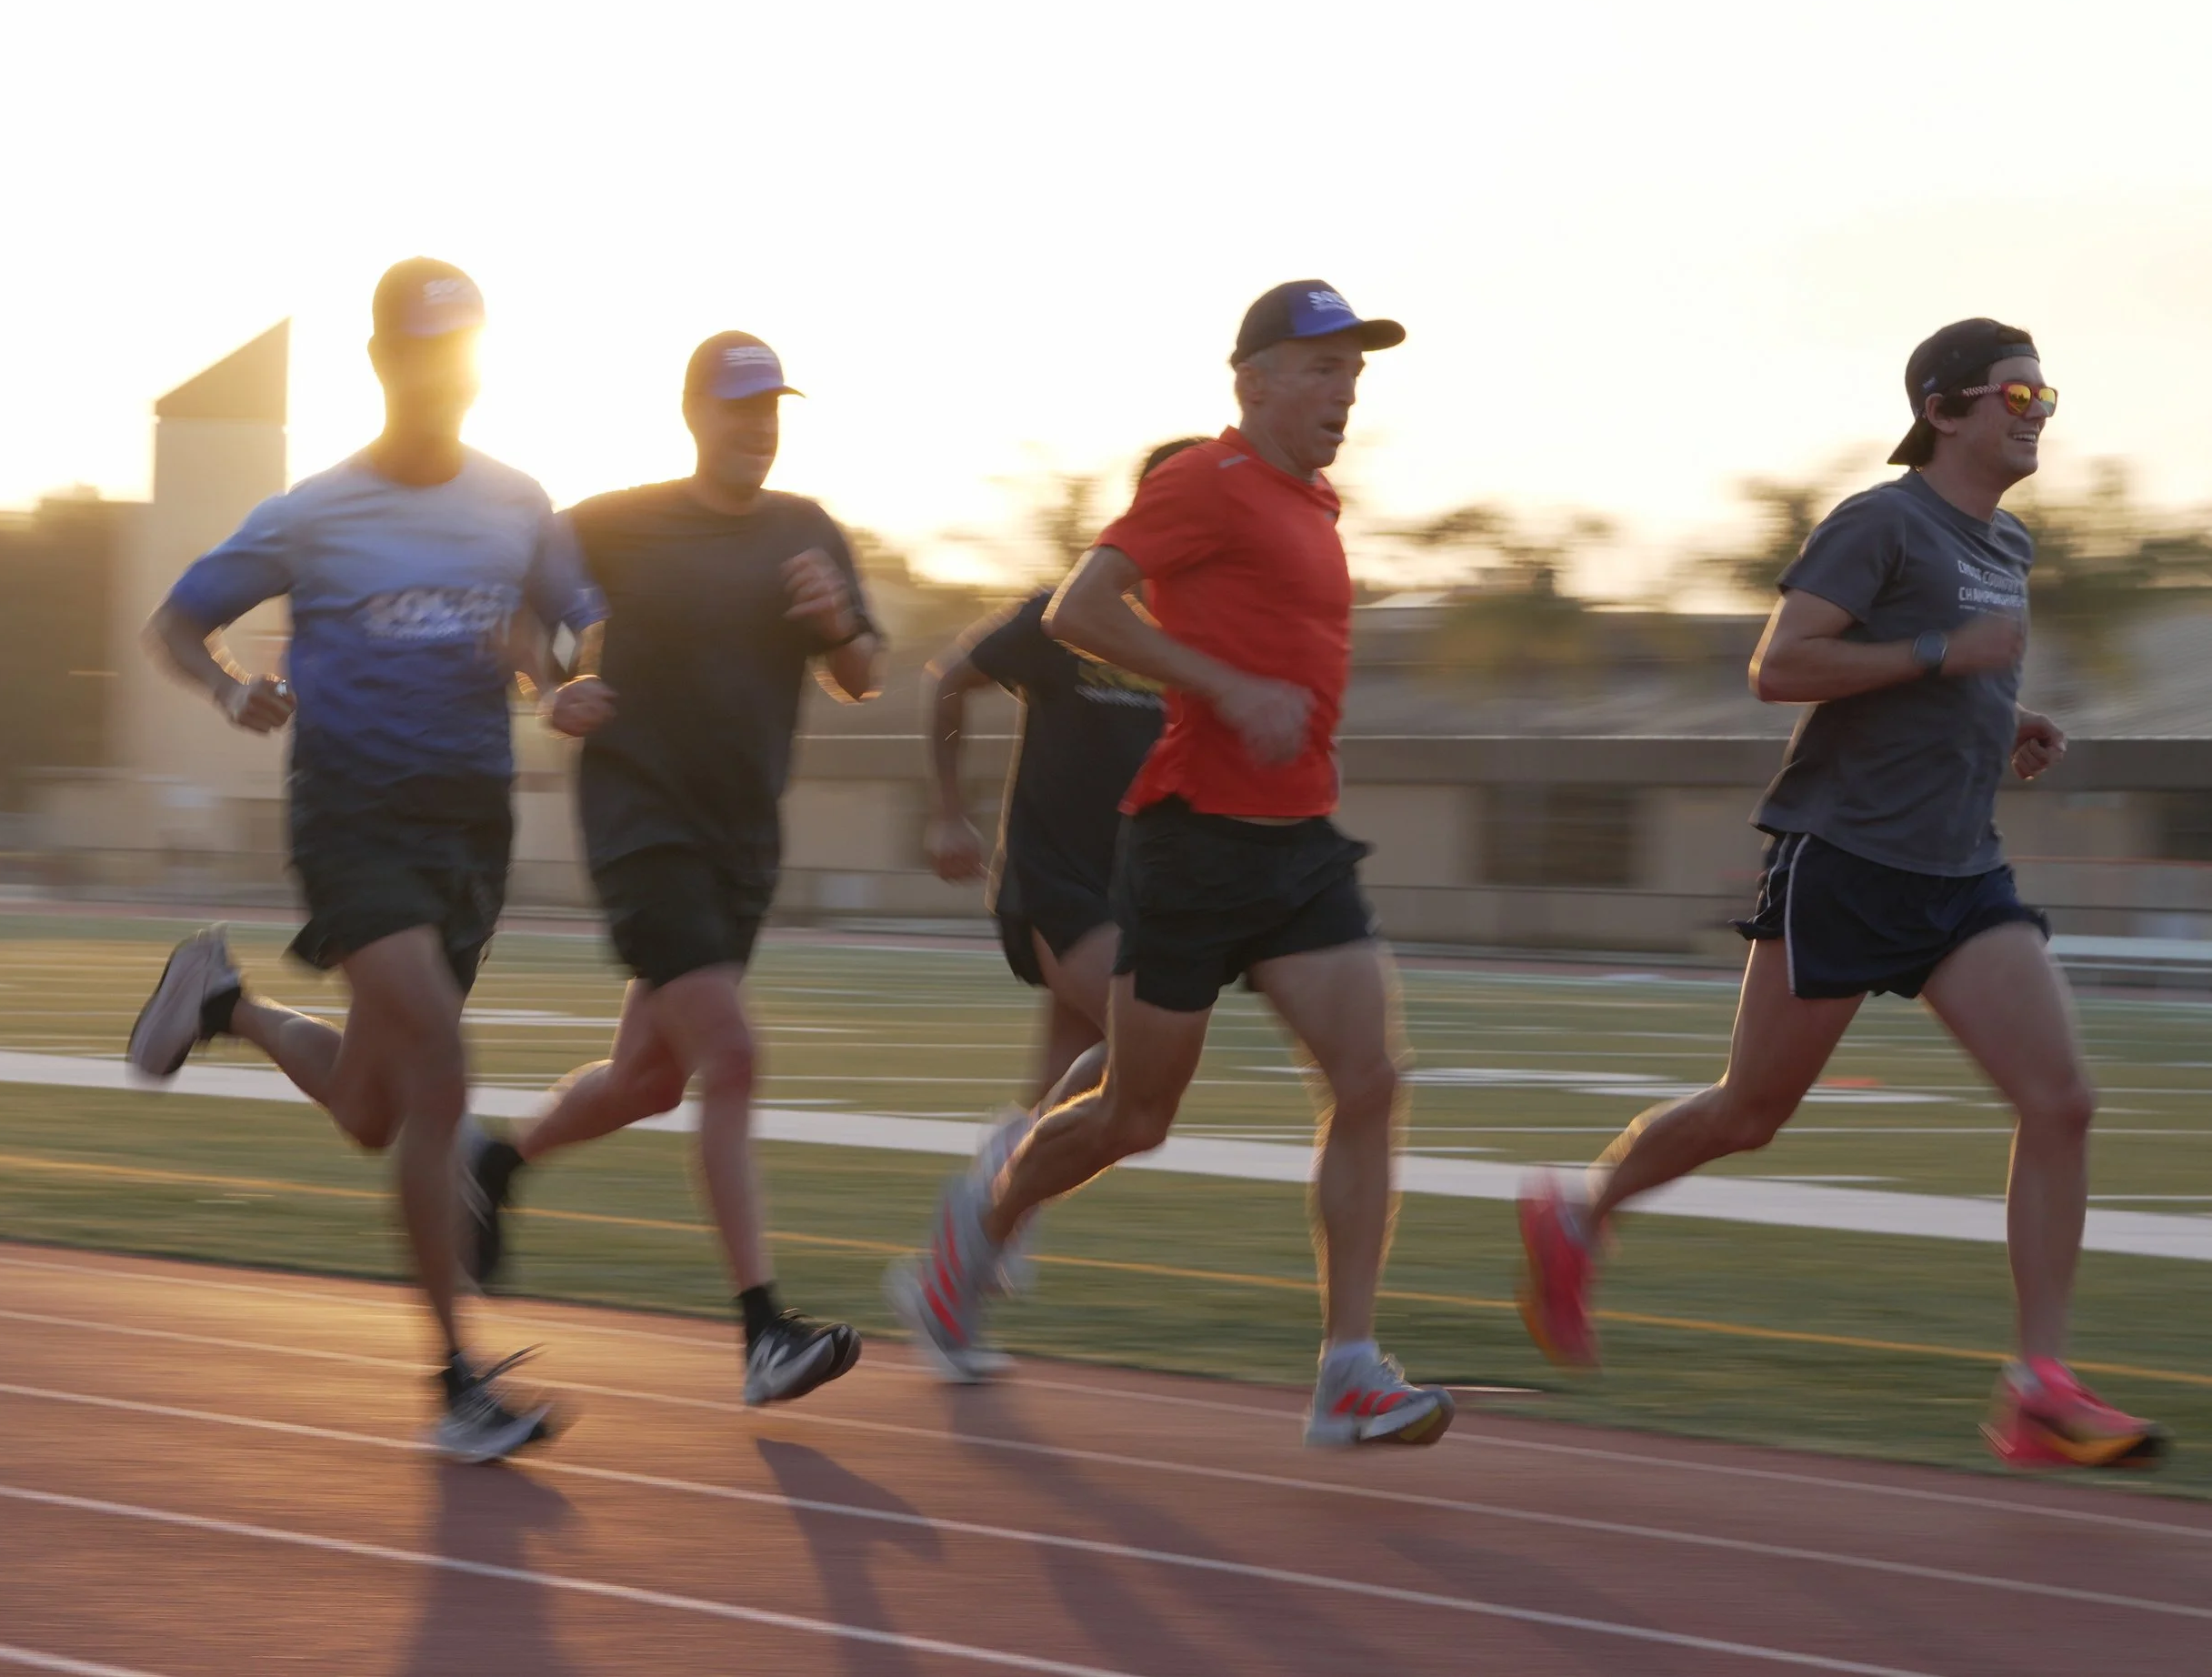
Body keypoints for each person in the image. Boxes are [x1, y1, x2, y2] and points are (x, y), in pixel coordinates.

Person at [1516, 318, 2167, 1471]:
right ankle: (1580, 1210)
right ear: (1948, 406)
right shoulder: (1880, 522)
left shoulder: (2004, 546)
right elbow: (1781, 666)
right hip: (1850, 859)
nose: (2038, 418)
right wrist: (1939, 659)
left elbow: (1943, 671)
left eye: (2047, 398)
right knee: (1750, 1114)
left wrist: (1999, 719)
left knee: (2061, 1100)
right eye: (2019, 398)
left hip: (1961, 867)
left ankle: (2038, 1384)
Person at [887, 283, 1456, 1449]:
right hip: (1192, 842)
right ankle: (973, 1240)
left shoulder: (1315, 502)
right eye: (1318, 368)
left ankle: (1347, 1369)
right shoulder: (1203, 480)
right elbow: (1078, 612)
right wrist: (1221, 685)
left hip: (1297, 841)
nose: (1342, 392)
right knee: (1131, 1115)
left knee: (1370, 1082)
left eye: (1353, 372)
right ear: (1249, 379)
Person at [128, 257, 605, 1462]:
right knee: (442, 1069)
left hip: (471, 831)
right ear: (387, 362)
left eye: (462, 351)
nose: (443, 374)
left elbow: (575, 619)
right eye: (422, 352)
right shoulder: (314, 511)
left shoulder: (518, 499)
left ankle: (223, 999)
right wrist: (232, 688)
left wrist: (564, 677)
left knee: (372, 1105)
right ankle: (455, 1380)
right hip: (354, 816)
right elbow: (176, 623)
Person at [462, 332, 882, 1408]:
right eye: (737, 406)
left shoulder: (807, 529)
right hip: (642, 826)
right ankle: (761, 1331)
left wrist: (836, 627)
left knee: (651, 1080)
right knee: (732, 1059)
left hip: (742, 842)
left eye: (770, 406)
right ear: (695, 415)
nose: (757, 424)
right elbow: (511, 608)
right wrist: (547, 691)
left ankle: (494, 1165)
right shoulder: (615, 523)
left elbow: (862, 672)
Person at [922, 437, 1201, 1238]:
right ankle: (980, 1227)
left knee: (1060, 1093)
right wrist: (946, 809)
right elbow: (948, 680)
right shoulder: (1066, 613)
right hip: (1054, 881)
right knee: (1140, 1050)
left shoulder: (1197, 640)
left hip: (1134, 890)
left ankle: (968, 1255)